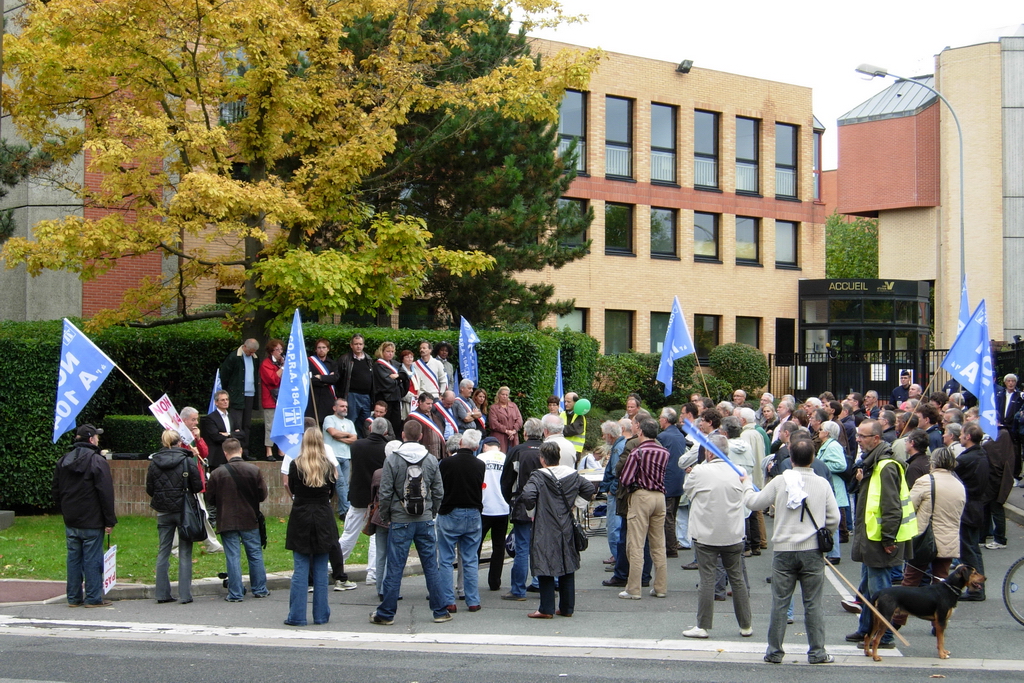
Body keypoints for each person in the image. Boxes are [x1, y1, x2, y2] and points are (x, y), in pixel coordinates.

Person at [743, 438, 839, 665]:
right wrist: (824, 534)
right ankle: (817, 652)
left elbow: (754, 503)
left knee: (780, 602)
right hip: (813, 550)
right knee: (813, 603)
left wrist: (746, 484)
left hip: (784, 550)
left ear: (791, 459)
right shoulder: (822, 484)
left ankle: (774, 651)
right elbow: (834, 518)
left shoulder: (779, 481)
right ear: (813, 458)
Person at [370, 420, 451, 625]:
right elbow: (439, 491)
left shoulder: (393, 460)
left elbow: (386, 492)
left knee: (395, 567)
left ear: (403, 436)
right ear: (421, 436)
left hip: (400, 519)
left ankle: (386, 613)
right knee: (431, 566)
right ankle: (440, 610)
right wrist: (432, 511)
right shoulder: (431, 459)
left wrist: (387, 516)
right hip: (424, 519)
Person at [846, 419, 916, 647]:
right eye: (857, 435)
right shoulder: (873, 463)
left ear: (876, 439)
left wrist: (888, 539)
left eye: (862, 436)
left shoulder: (885, 466)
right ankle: (865, 629)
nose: (858, 439)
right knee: (868, 587)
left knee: (880, 590)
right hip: (872, 538)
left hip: (880, 541)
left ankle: (883, 636)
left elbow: (892, 507)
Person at [682, 433, 754, 639]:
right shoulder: (739, 471)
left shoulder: (699, 471)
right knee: (737, 578)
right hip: (733, 533)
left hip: (706, 533)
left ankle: (703, 626)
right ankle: (746, 624)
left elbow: (687, 491)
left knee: (707, 579)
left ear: (708, 452)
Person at [515, 442, 596, 618]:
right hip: (566, 523)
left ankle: (546, 608)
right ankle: (567, 608)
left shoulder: (538, 476)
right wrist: (576, 506)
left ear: (542, 459)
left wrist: (532, 511)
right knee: (567, 563)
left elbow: (527, 495)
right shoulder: (572, 474)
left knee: (544, 563)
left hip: (545, 524)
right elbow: (589, 488)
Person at [53, 424, 116, 608]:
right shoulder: (97, 461)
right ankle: (93, 598)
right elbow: (105, 493)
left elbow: (56, 490)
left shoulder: (63, 461)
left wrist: (64, 510)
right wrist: (109, 520)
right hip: (92, 519)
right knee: (92, 559)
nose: (98, 439)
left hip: (71, 519)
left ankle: (73, 598)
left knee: (73, 558)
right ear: (91, 439)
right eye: (96, 436)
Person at [284, 428, 341, 626]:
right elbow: (332, 491)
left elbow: (291, 487)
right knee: (320, 567)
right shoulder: (327, 465)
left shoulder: (295, 465)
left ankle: (297, 615)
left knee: (300, 568)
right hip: (322, 515)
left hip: (301, 514)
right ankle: (321, 615)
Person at [204, 437, 270, 601]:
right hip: (249, 518)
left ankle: (235, 593)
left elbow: (210, 499)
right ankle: (260, 589)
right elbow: (262, 495)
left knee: (232, 556)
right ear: (240, 450)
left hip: (227, 519)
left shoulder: (217, 473)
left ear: (225, 453)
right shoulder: (254, 470)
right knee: (254, 554)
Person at [146, 429, 204, 605]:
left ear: (164, 443)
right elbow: (197, 485)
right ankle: (185, 594)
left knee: (163, 550)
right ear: (180, 443)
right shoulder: (187, 461)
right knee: (185, 552)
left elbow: (150, 489)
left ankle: (162, 593)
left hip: (163, 510)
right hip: (183, 510)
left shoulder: (154, 462)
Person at [618, 418, 670, 600]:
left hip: (641, 496)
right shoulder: (664, 452)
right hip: (660, 497)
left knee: (636, 544)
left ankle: (633, 588)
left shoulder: (637, 452)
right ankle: (660, 586)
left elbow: (625, 478)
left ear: (640, 432)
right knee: (658, 544)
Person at [437, 429, 486, 612]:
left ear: (460, 443)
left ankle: (448, 600)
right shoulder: (480, 465)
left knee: (446, 558)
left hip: (450, 510)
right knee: (470, 559)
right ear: (476, 446)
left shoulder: (446, 463)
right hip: (473, 512)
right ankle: (473, 600)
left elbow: (440, 486)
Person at [903, 447, 966, 587]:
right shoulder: (959, 485)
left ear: (933, 462)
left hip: (925, 538)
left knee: (911, 579)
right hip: (949, 539)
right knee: (941, 580)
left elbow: (908, 507)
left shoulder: (925, 481)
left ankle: (907, 608)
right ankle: (937, 609)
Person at [501, 417, 545, 601]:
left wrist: (509, 500)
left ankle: (518, 589)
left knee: (522, 547)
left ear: (525, 433)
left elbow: (506, 480)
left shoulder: (517, 451)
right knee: (542, 547)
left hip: (521, 503)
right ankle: (544, 584)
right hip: (544, 505)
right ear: (542, 433)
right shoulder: (547, 449)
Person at [345, 417, 392, 586]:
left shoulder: (356, 445)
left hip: (358, 495)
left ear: (370, 428)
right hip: (377, 498)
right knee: (376, 538)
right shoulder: (386, 448)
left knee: (349, 533)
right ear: (385, 431)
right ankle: (373, 573)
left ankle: (335, 563)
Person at [955, 423, 990, 600]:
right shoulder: (981, 454)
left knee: (968, 550)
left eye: (961, 434)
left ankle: (976, 588)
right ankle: (977, 586)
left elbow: (953, 473)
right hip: (976, 506)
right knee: (973, 549)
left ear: (968, 436)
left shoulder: (967, 459)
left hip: (968, 507)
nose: (960, 437)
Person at [477, 436, 511, 592]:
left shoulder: (481, 458)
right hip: (502, 507)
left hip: (484, 507)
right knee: (498, 546)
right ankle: (494, 581)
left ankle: (472, 580)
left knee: (476, 545)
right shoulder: (506, 458)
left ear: (485, 446)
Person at [657, 407, 688, 559]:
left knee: (667, 516)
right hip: (678, 478)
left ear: (666, 420)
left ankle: (670, 547)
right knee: (672, 514)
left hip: (667, 479)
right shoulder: (679, 434)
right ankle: (672, 544)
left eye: (660, 418)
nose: (659, 420)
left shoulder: (663, 436)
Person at [220, 338, 260, 447]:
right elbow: (224, 376)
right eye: (250, 351)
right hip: (236, 395)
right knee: (236, 424)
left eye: (253, 352)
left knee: (247, 424)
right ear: (245, 346)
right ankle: (235, 450)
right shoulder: (234, 357)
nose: (251, 354)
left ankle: (245, 450)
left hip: (250, 394)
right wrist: (229, 391)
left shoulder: (255, 358)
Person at [323, 397, 357, 522]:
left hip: (346, 456)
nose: (344, 408)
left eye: (346, 406)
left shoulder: (350, 423)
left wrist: (341, 437)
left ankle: (342, 511)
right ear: (334, 408)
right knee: (341, 482)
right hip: (332, 456)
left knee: (345, 484)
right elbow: (333, 433)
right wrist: (347, 435)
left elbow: (354, 439)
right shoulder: (329, 419)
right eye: (342, 406)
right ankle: (347, 511)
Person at [598, 420, 627, 563]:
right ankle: (618, 558)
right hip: (617, 491)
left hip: (615, 493)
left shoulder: (617, 449)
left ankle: (617, 558)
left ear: (610, 435)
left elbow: (618, 472)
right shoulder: (622, 445)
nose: (603, 438)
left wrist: (612, 490)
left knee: (613, 526)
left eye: (604, 435)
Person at [338, 334, 374, 437]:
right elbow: (339, 379)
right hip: (352, 395)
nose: (358, 346)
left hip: (366, 396)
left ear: (363, 345)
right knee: (350, 421)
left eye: (360, 344)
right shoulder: (345, 359)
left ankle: (362, 445)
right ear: (351, 345)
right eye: (356, 344)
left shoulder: (369, 359)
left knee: (365, 423)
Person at [201, 390, 248, 470]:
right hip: (217, 457)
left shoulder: (232, 416)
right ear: (216, 402)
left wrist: (229, 434)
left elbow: (242, 434)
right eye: (223, 400)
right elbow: (216, 437)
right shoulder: (211, 418)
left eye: (227, 399)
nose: (225, 402)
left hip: (232, 457)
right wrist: (233, 436)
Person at [372, 341, 405, 438]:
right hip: (385, 398)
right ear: (382, 352)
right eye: (387, 351)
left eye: (392, 351)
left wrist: (397, 376)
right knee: (385, 422)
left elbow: (405, 376)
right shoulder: (378, 365)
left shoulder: (396, 364)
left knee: (396, 423)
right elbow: (387, 382)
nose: (390, 353)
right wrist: (399, 381)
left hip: (396, 398)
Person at [259, 338, 284, 461]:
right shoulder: (266, 364)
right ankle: (269, 451)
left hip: (282, 400)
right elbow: (273, 380)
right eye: (277, 349)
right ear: (271, 351)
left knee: (282, 425)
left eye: (281, 349)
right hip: (270, 400)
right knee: (270, 426)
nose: (280, 351)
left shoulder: (280, 362)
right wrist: (283, 368)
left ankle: (281, 450)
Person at [307, 339, 339, 427]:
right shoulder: (309, 362)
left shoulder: (332, 363)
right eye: (319, 347)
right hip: (314, 397)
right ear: (315, 349)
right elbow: (310, 379)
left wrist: (320, 377)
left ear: (328, 349)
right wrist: (326, 379)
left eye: (324, 347)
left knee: (327, 424)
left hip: (327, 397)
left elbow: (335, 379)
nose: (321, 350)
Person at [405, 393, 446, 460]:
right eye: (428, 404)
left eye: (431, 404)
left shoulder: (436, 417)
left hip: (438, 456)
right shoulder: (413, 418)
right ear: (420, 402)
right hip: (423, 457)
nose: (430, 406)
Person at [489, 386, 523, 453]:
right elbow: (493, 423)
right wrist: (506, 431)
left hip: (513, 437)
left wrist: (513, 430)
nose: (504, 396)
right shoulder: (493, 408)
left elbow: (519, 420)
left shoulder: (513, 406)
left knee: (513, 457)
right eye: (503, 394)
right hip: (500, 437)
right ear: (498, 395)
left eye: (506, 395)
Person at [559, 392, 587, 458]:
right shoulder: (562, 414)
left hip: (575, 450)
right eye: (565, 401)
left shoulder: (580, 416)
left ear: (576, 403)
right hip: (562, 448)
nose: (566, 404)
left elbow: (574, 430)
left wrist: (558, 429)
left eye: (568, 402)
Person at [398, 349, 420, 419]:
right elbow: (400, 388)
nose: (410, 359)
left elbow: (420, 385)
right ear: (402, 359)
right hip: (406, 401)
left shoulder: (415, 371)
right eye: (407, 357)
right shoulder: (400, 371)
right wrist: (412, 397)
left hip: (416, 401)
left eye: (411, 357)